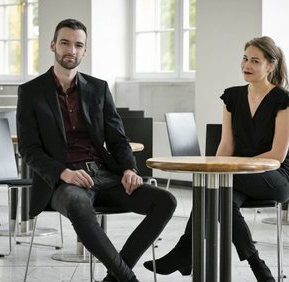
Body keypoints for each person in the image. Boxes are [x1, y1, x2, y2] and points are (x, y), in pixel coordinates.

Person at [17, 18, 176, 282]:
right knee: (79, 204)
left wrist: (128, 168)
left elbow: (117, 139)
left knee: (166, 201)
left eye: (79, 45)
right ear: (53, 45)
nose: (72, 50)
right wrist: (64, 173)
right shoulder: (31, 92)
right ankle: (127, 278)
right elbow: (29, 149)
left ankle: (114, 279)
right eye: (65, 43)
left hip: (104, 175)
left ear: (85, 51)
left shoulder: (98, 88)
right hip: (62, 183)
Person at [143, 36, 289, 281]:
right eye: (245, 58)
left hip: (275, 176)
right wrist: (216, 169)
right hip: (239, 176)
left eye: (255, 61)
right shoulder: (232, 97)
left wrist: (231, 170)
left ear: (271, 65)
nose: (246, 65)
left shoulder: (284, 101)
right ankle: (257, 265)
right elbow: (226, 145)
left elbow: (277, 155)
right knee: (218, 195)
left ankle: (185, 252)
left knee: (217, 186)